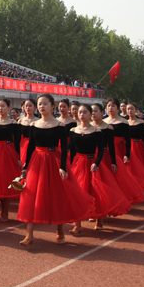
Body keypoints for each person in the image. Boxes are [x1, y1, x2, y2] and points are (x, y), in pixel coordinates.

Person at [17, 94, 95, 246]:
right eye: (40, 104)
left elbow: (64, 148)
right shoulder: (34, 125)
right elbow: (31, 147)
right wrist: (26, 166)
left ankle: (60, 231)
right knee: (31, 195)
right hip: (37, 161)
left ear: (52, 106)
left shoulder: (59, 125)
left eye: (45, 104)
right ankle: (29, 235)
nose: (42, 106)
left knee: (57, 195)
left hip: (54, 161)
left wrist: (63, 166)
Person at [68, 104, 131, 236]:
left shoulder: (97, 132)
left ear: (90, 114)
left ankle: (99, 218)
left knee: (96, 191)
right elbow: (72, 151)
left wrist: (97, 163)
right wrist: (68, 166)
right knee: (78, 192)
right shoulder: (73, 131)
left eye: (85, 112)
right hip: (78, 164)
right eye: (80, 112)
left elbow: (102, 149)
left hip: (93, 163)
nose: (82, 114)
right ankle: (77, 225)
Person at [98, 101, 144, 206]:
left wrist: (127, 154)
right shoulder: (103, 122)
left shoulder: (123, 122)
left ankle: (123, 197)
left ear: (118, 108)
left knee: (120, 175)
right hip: (106, 151)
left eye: (113, 106)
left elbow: (127, 140)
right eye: (109, 106)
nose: (110, 108)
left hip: (120, 148)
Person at [18, 99, 38, 165]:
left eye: (30, 106)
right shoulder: (20, 121)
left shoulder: (38, 121)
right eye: (26, 106)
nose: (28, 108)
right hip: (23, 145)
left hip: (35, 145)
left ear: (35, 107)